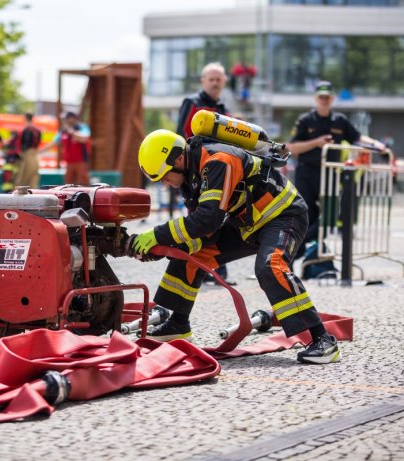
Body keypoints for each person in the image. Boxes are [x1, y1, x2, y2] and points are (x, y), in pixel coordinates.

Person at [130, 129, 341, 364]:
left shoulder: (217, 160)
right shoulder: (190, 175)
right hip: (247, 223)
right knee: (190, 254)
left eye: (166, 177)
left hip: (283, 214)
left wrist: (158, 234)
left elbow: (206, 219)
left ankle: (323, 340)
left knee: (270, 266)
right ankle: (178, 324)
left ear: (178, 159)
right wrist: (166, 247)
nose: (167, 184)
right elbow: (202, 230)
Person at [287, 81, 384, 256]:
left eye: (327, 97)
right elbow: (292, 147)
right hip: (306, 173)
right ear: (316, 99)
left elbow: (357, 137)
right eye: (321, 97)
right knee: (306, 217)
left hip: (330, 174)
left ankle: (301, 248)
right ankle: (304, 254)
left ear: (332, 99)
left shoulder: (340, 120)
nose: (324, 100)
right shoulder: (305, 120)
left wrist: (377, 144)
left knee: (331, 218)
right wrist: (316, 143)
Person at [176, 61, 234, 286]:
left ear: (224, 82)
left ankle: (217, 271)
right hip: (195, 170)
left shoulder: (223, 109)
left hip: (218, 170)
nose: (215, 83)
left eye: (218, 79)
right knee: (198, 220)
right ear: (203, 81)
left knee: (219, 218)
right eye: (211, 79)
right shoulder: (192, 103)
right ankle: (196, 269)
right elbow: (180, 135)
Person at [39, 111, 91, 185]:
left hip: (81, 162)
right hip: (69, 163)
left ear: (72, 118)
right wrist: (39, 151)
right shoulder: (63, 131)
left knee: (82, 183)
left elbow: (85, 138)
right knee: (69, 185)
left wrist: (71, 132)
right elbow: (54, 143)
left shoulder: (81, 127)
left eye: (65, 118)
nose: (64, 121)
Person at [13, 112, 42, 188]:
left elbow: (25, 143)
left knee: (21, 180)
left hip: (27, 155)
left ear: (25, 118)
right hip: (35, 156)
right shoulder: (37, 130)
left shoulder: (26, 130)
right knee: (33, 180)